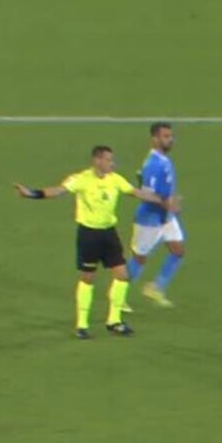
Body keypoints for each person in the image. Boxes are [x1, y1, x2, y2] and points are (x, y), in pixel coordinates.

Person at [14, 145, 176, 338]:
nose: (112, 163)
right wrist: (32, 194)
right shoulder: (81, 179)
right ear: (97, 161)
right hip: (89, 235)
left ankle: (114, 321)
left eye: (112, 160)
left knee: (122, 275)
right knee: (88, 279)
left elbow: (136, 192)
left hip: (109, 234)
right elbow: (58, 191)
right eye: (108, 160)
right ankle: (82, 325)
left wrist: (162, 200)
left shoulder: (115, 179)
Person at [126, 122, 186, 306]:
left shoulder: (163, 160)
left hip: (165, 217)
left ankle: (155, 288)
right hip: (150, 220)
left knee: (178, 251)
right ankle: (118, 295)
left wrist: (170, 203)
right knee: (139, 259)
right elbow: (148, 195)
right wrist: (170, 205)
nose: (170, 140)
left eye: (171, 136)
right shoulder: (153, 164)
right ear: (155, 139)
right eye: (166, 137)